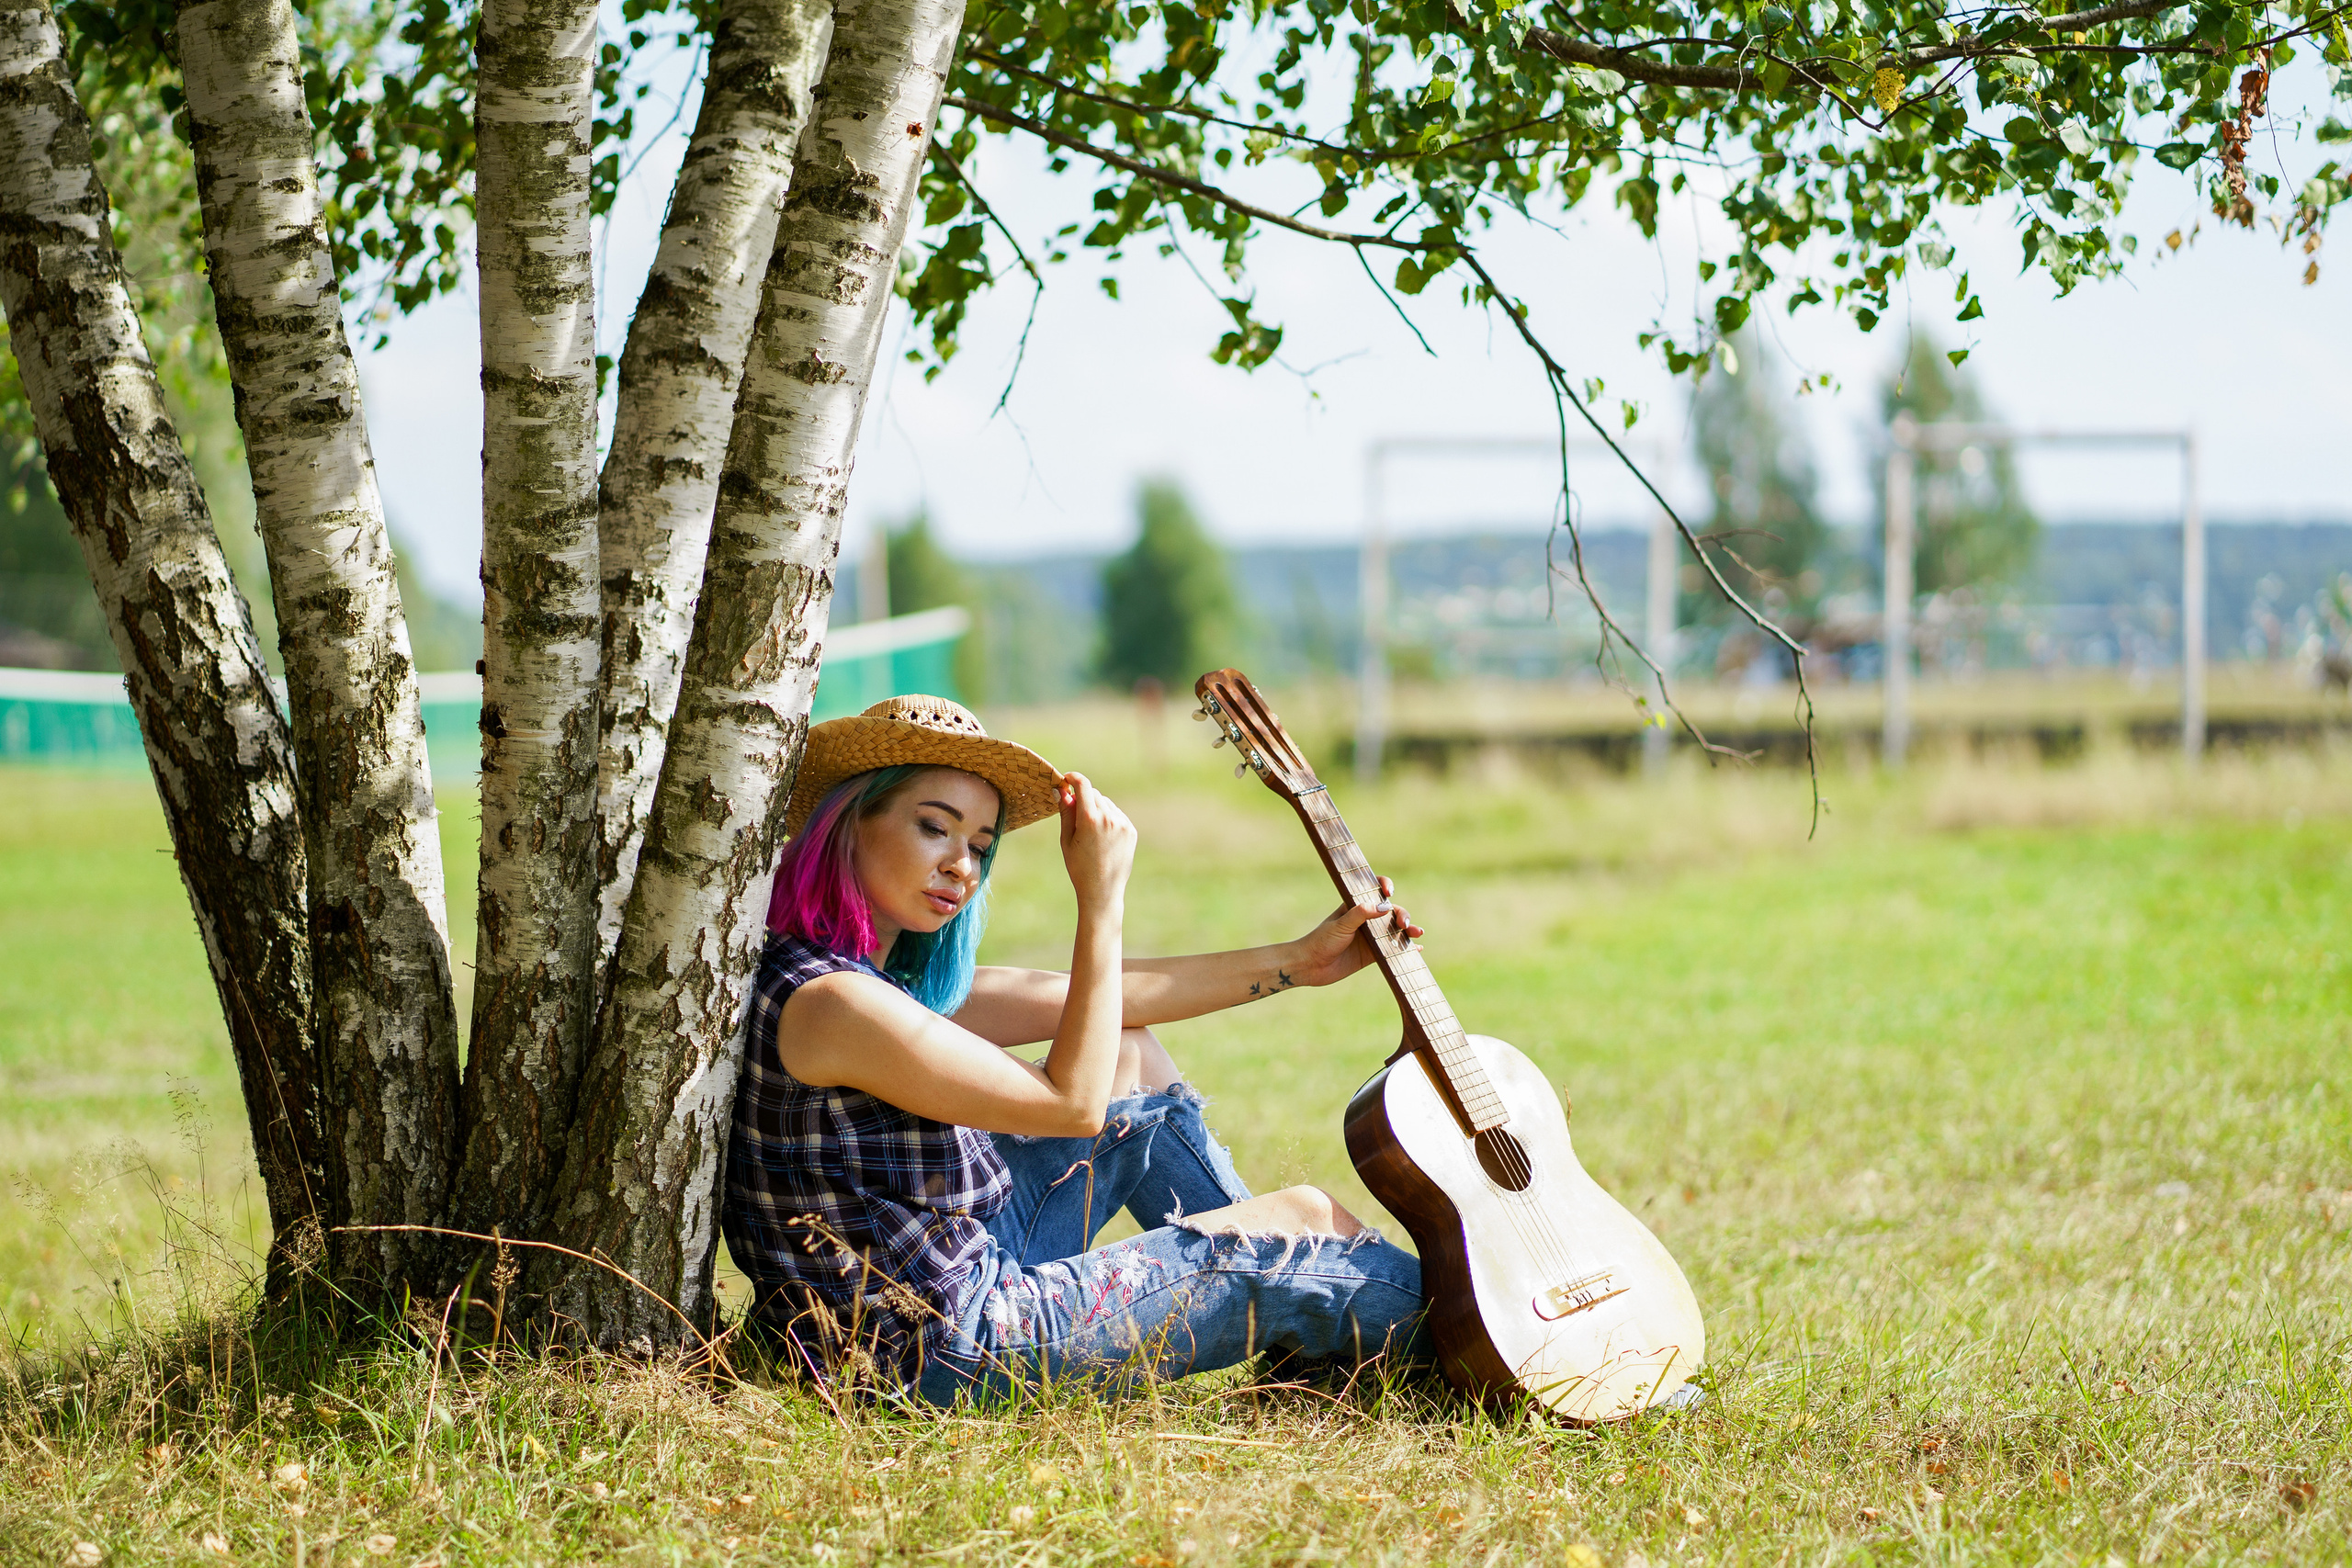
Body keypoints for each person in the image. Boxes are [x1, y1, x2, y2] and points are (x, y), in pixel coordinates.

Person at [722, 694, 1429, 1404]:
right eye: (934, 826)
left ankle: (1309, 1317)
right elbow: (1072, 1105)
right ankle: (1466, 1333)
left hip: (932, 1296)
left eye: (980, 845)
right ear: (848, 821)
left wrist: (1302, 961)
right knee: (1302, 1219)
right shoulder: (836, 1004)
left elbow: (1099, 1002)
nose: (961, 865)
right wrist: (1101, 898)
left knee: (1124, 1053)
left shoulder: (845, 977)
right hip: (934, 1351)